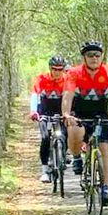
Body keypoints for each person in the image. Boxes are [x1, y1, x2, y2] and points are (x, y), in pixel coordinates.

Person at [61, 41, 108, 208]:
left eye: (97, 55)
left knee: (104, 150)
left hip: (100, 115)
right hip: (79, 114)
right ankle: (77, 157)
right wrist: (66, 114)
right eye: (90, 55)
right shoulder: (74, 73)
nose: (94, 58)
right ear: (84, 57)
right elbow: (68, 95)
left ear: (102, 56)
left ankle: (105, 188)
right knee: (74, 132)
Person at [29, 55, 68, 183]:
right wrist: (33, 111)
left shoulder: (67, 80)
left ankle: (63, 154)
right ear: (50, 69)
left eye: (60, 69)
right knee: (45, 138)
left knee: (65, 135)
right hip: (44, 113)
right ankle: (45, 170)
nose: (57, 72)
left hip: (61, 112)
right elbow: (34, 94)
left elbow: (73, 97)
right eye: (54, 69)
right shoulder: (42, 79)